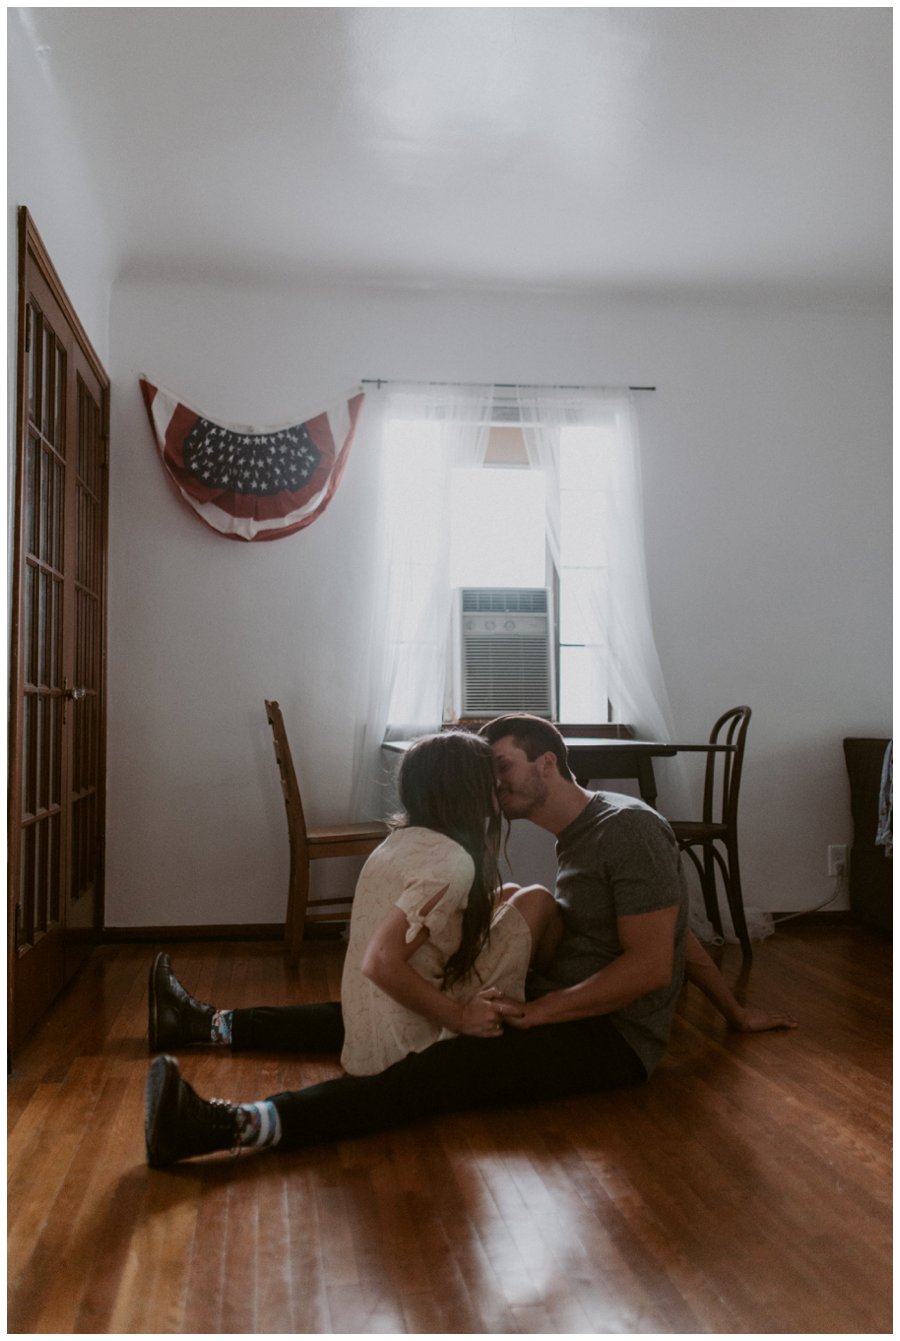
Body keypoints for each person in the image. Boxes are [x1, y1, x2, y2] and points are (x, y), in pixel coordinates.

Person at [145, 714, 795, 1168]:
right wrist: (734, 1015)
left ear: (547, 761)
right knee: (388, 1009)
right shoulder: (581, 835)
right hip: (548, 999)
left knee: (439, 1073)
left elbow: (653, 962)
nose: (495, 783)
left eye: (504, 766)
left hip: (610, 1039)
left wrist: (535, 1012)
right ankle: (210, 1024)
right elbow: (676, 932)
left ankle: (230, 1124)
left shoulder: (626, 828)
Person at [149, 730, 560, 1078]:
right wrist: (459, 1017)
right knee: (538, 900)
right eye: (491, 777)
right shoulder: (451, 862)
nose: (499, 786)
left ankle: (207, 1023)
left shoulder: (401, 841)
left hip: (368, 1021)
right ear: (467, 790)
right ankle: (526, 1006)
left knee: (508, 896)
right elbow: (380, 961)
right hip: (409, 1043)